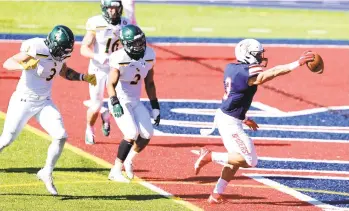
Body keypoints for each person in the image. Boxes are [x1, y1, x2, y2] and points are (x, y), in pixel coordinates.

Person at [194, 38, 315, 204]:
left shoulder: (232, 67)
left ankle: (216, 194)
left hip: (228, 116)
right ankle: (210, 156)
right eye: (257, 55)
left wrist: (244, 117)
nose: (260, 58)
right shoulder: (246, 72)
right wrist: (297, 63)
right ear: (247, 54)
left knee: (234, 158)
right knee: (249, 160)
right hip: (229, 122)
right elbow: (270, 74)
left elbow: (236, 96)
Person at [0, 25, 96, 195]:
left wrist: (83, 77)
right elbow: (8, 63)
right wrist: (24, 65)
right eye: (61, 50)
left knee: (61, 136)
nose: (63, 54)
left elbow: (64, 71)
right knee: (6, 139)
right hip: (23, 100)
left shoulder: (58, 53)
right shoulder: (36, 47)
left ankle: (46, 172)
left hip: (44, 102)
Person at [107, 24, 160, 182]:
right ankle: (115, 170)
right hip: (120, 100)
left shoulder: (149, 54)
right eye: (135, 43)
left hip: (135, 101)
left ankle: (129, 160)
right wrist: (114, 102)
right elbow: (110, 84)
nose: (139, 45)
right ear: (126, 44)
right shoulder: (119, 57)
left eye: (140, 41)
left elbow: (149, 83)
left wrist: (155, 106)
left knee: (147, 134)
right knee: (131, 133)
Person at [80, 0, 131, 145]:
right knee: (95, 105)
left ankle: (115, 121)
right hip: (96, 69)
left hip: (115, 68)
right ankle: (89, 128)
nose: (113, 11)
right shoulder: (95, 23)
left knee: (122, 100)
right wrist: (97, 56)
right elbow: (83, 48)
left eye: (116, 8)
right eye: (110, 8)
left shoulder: (126, 23)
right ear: (104, 8)